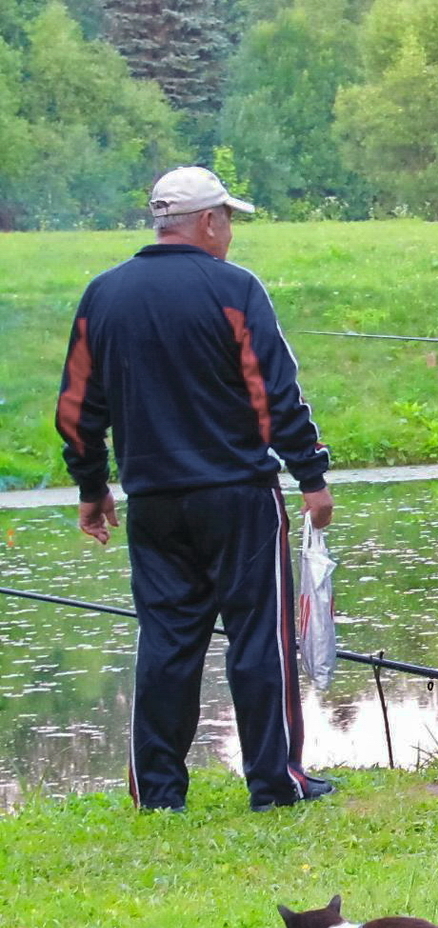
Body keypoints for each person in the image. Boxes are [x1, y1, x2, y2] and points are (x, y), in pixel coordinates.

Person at [54, 166, 335, 813]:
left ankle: (158, 794)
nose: (231, 232)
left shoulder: (104, 295)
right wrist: (311, 475)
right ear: (208, 221)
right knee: (259, 640)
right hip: (237, 494)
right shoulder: (234, 289)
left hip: (153, 501)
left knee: (166, 643)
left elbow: (76, 410)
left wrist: (92, 487)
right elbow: (275, 396)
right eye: (228, 219)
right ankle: (273, 782)